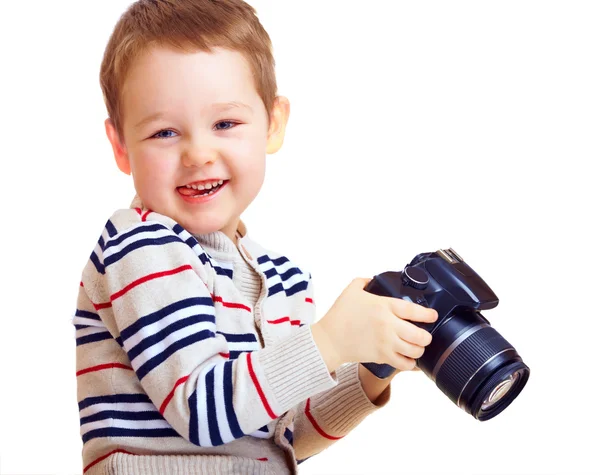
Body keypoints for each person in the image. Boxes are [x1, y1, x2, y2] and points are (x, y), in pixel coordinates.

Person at [73, 0, 438, 473]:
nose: (198, 153)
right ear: (121, 146)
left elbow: (283, 434)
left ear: (273, 123)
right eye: (164, 132)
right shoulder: (140, 248)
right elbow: (203, 409)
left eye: (225, 123)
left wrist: (368, 372)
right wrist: (328, 340)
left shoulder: (283, 277)